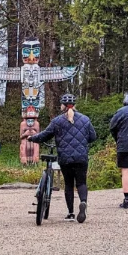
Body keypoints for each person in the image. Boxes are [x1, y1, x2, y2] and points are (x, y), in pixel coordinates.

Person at [29, 94, 97, 223]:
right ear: (74, 105)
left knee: (69, 184)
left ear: (62, 106)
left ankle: (71, 213)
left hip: (65, 158)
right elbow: (93, 137)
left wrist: (32, 138)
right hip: (81, 157)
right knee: (81, 183)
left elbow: (44, 136)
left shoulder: (57, 121)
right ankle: (83, 202)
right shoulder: (85, 119)